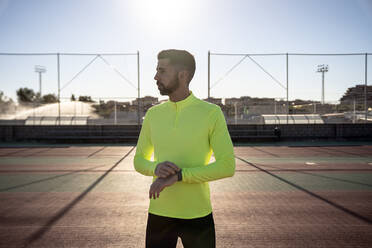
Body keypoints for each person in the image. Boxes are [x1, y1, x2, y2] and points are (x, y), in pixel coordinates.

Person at [134, 49, 235, 248]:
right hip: (159, 214)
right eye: (156, 70)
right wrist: (155, 168)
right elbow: (139, 160)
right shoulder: (153, 114)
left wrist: (179, 176)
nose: (156, 76)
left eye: (162, 71)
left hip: (198, 215)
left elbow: (227, 166)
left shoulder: (211, 113)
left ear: (183, 75)